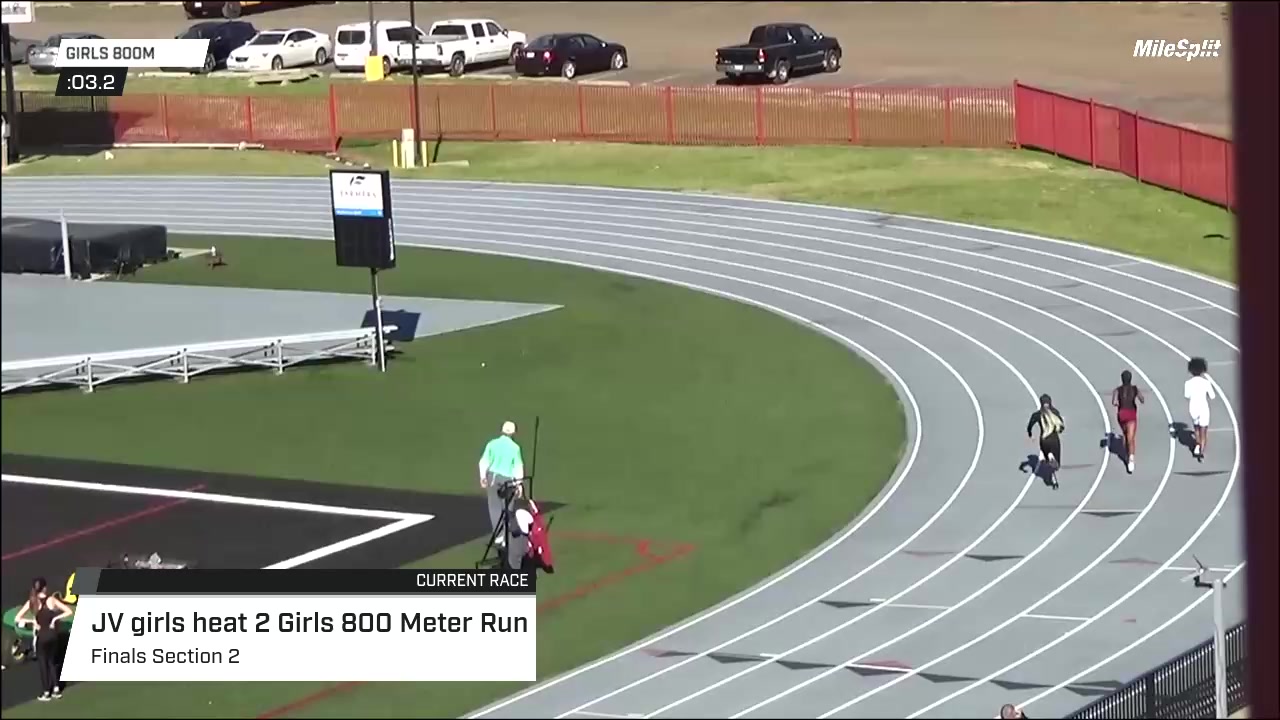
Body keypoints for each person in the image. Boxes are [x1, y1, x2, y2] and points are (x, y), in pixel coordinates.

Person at [13, 577, 73, 701]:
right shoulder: (52, 600)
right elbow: (68, 611)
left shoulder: (32, 601)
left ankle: (46, 692)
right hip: (52, 635)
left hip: (41, 637)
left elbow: (18, 618)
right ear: (45, 587)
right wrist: (55, 619)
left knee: (43, 664)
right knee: (52, 662)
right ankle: (56, 689)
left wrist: (32, 622)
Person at [478, 421, 526, 546]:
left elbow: (483, 462)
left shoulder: (492, 444)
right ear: (513, 433)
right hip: (508, 480)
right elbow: (518, 467)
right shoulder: (515, 448)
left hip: (493, 478)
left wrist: (483, 477)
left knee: (494, 508)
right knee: (508, 509)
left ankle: (499, 537)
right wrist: (519, 484)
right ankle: (506, 536)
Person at [1027, 393, 1066, 489]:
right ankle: (1052, 460)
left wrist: (1030, 434)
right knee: (1057, 465)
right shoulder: (1055, 412)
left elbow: (1030, 425)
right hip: (1054, 440)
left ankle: (1049, 458)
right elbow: (1061, 426)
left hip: (1044, 441)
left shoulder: (1037, 414)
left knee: (1049, 462)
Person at [1112, 370, 1146, 474]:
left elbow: (1114, 402)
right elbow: (1142, 399)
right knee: (1131, 438)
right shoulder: (1135, 389)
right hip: (1131, 414)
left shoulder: (1117, 390)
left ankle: (1127, 455)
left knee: (1125, 435)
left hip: (1122, 414)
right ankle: (1131, 459)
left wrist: (1119, 403)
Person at [1184, 357, 1217, 462]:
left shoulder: (1188, 383)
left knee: (1196, 428)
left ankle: (1197, 445)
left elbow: (1187, 395)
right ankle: (1201, 450)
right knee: (1204, 430)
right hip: (1203, 407)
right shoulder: (1206, 382)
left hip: (1193, 407)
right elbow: (1212, 396)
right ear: (1203, 369)